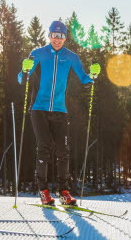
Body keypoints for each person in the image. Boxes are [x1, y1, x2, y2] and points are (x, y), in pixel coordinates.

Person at [18, 21, 99, 206]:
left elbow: (84, 78)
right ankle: (44, 191)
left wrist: (93, 77)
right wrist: (24, 68)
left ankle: (64, 192)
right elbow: (22, 78)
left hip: (60, 110)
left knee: (63, 151)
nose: (57, 39)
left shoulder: (71, 57)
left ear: (65, 38)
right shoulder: (38, 53)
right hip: (38, 108)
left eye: (61, 36)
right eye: (54, 35)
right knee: (44, 147)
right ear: (49, 36)